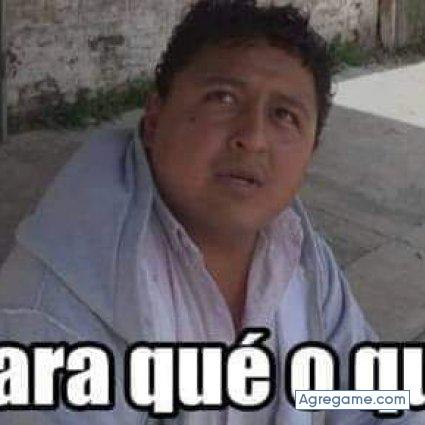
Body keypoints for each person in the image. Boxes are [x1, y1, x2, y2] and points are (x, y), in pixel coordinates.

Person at [0, 0, 423, 424]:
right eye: (222, 98)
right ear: (154, 119)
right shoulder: (50, 315)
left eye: (284, 115)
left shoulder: (304, 260)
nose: (253, 137)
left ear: (310, 153)